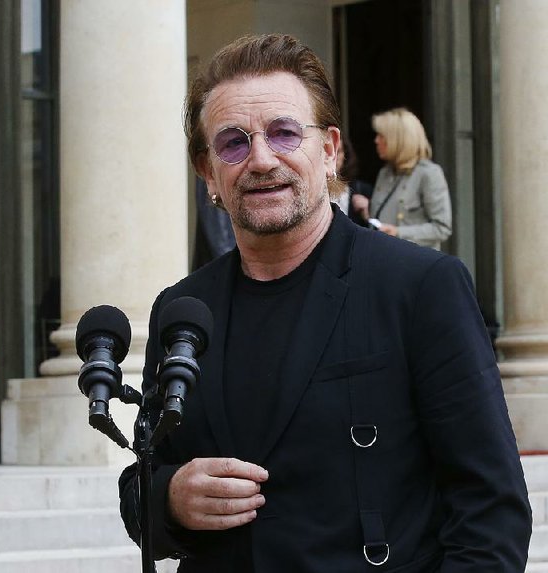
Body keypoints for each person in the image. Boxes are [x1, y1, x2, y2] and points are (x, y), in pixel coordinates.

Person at [118, 34, 531, 572]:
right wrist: (171, 495)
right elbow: (142, 481)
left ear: (330, 149)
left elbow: (491, 511)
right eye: (233, 143)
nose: (261, 160)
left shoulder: (421, 286)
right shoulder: (184, 308)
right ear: (207, 172)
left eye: (285, 133)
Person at [369, 107, 452, 250]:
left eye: (382, 136)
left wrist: (399, 232)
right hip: (384, 258)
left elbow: (442, 228)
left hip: (414, 264)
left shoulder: (428, 173)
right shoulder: (385, 173)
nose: (376, 141)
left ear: (398, 140)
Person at [334, 135, 373, 226]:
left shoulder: (361, 190)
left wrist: (369, 211)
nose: (333, 156)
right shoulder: (310, 189)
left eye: (338, 151)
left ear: (345, 155)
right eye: (327, 150)